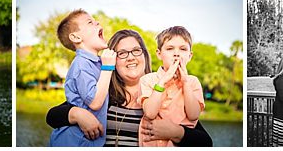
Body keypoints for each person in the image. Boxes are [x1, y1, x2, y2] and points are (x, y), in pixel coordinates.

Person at [45, 29, 213, 147]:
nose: (130, 58)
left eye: (136, 51)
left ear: (145, 56)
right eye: (122, 53)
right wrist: (76, 114)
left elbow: (205, 142)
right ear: (113, 61)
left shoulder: (163, 94)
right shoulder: (104, 92)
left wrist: (176, 132)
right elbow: (52, 117)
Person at [46, 9, 116, 147]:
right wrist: (107, 68)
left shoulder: (97, 63)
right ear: (76, 37)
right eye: (90, 22)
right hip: (73, 141)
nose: (97, 22)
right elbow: (95, 102)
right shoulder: (81, 64)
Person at [138, 26, 205, 147]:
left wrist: (185, 83)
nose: (176, 54)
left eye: (183, 49)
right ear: (159, 54)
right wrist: (163, 81)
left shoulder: (193, 82)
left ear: (190, 56)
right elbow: (150, 113)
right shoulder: (148, 80)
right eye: (170, 48)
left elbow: (194, 115)